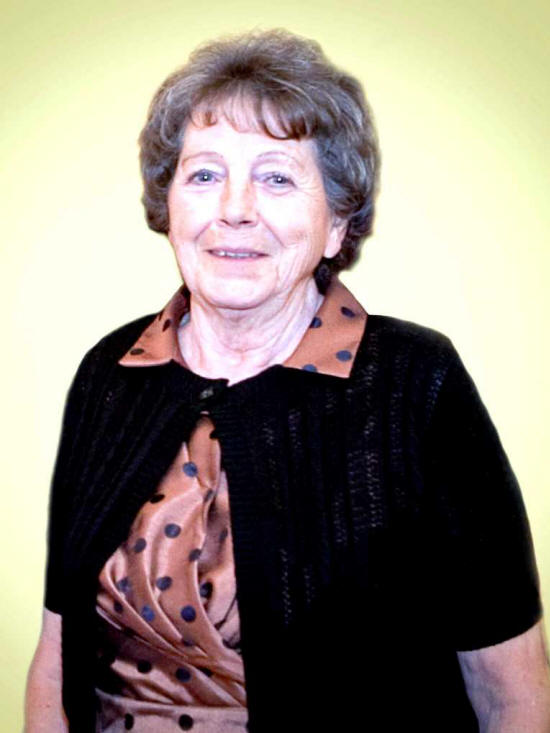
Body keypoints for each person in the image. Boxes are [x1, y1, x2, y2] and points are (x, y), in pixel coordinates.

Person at [25, 28, 550, 733]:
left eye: (276, 178)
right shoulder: (111, 372)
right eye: (204, 175)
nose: (234, 208)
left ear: (337, 223)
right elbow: (56, 655)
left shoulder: (415, 382)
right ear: (168, 205)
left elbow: (512, 695)